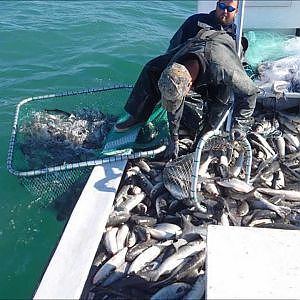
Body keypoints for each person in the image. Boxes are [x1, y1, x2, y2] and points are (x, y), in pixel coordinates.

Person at [115, 0, 258, 159]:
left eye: (230, 8)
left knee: (221, 100)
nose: (225, 11)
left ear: (236, 11)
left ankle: (207, 134)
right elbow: (175, 94)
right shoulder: (176, 59)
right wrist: (174, 137)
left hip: (218, 70)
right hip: (195, 52)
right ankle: (139, 115)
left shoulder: (224, 68)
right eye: (222, 6)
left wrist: (241, 126)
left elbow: (251, 92)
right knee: (153, 68)